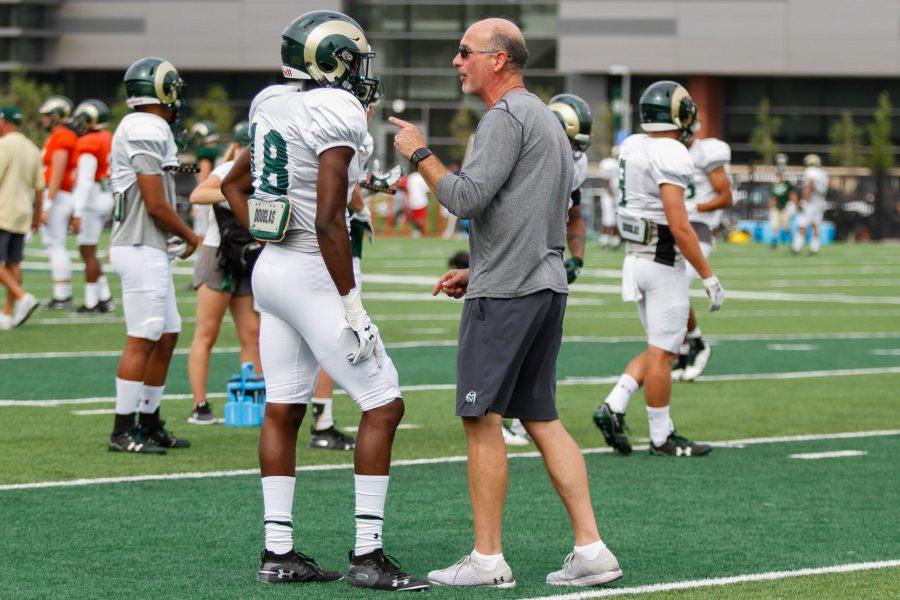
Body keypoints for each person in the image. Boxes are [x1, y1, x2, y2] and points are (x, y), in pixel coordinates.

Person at [392, 17, 623, 588]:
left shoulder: (504, 118)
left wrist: (419, 153)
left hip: (512, 291)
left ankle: (488, 560)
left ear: (498, 59)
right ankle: (592, 550)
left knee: (480, 417)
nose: (456, 61)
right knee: (541, 418)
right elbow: (531, 214)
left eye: (464, 51)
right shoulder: (544, 116)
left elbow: (465, 199)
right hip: (541, 282)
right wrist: (477, 270)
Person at [221, 11, 427, 591]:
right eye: (354, 58)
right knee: (383, 403)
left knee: (284, 407)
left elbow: (237, 184)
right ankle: (368, 553)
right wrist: (351, 303)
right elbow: (331, 218)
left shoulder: (271, 101)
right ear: (332, 58)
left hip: (273, 271)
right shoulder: (333, 107)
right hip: (312, 271)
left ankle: (278, 551)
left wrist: (267, 234)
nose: (360, 71)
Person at [592, 81, 724, 459]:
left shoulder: (634, 145)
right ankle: (661, 437)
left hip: (636, 260)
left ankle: (615, 405)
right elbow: (679, 224)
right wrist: (708, 275)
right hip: (664, 262)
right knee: (665, 353)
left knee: (659, 350)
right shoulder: (670, 151)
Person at [107, 57, 199, 454]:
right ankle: (123, 429)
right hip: (139, 244)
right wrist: (190, 235)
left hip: (147, 245)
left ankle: (149, 420)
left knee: (166, 335)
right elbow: (155, 203)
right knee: (143, 336)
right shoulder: (146, 126)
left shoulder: (144, 125)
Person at [307, 105, 379, 451]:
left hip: (289, 251)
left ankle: (316, 418)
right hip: (331, 248)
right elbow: (341, 186)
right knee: (339, 337)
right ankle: (323, 422)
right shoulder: (349, 128)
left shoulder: (284, 110)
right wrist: (362, 208)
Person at [186, 121, 261, 425]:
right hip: (218, 255)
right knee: (207, 332)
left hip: (247, 257)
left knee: (252, 334)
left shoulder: (268, 171)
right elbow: (198, 195)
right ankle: (199, 404)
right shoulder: (229, 167)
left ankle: (251, 396)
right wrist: (232, 194)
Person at [670, 127, 733, 382]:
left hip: (698, 227)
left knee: (679, 286)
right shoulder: (667, 152)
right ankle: (683, 350)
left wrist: (694, 206)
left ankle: (695, 343)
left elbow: (726, 196)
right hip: (672, 226)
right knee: (669, 292)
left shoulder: (707, 152)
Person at [70, 99, 115, 313]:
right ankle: (104, 296)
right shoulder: (108, 137)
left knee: (87, 251)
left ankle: (91, 301)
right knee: (89, 251)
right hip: (106, 195)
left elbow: (85, 180)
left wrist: (77, 211)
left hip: (93, 198)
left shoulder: (89, 142)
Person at [0, 106, 43, 329]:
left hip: (3, 210)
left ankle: (21, 296)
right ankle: (7, 313)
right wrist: (36, 217)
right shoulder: (33, 149)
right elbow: (39, 187)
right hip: (23, 213)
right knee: (14, 262)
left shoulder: (4, 145)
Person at [38, 95, 78, 309]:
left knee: (56, 244)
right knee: (53, 244)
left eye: (47, 116)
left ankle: (62, 295)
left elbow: (58, 172)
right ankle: (61, 293)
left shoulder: (62, 136)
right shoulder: (58, 135)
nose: (44, 120)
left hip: (58, 195)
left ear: (57, 116)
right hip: (58, 195)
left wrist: (47, 204)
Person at [190, 120, 221, 238]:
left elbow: (203, 178)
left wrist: (196, 206)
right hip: (220, 195)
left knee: (204, 235)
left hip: (208, 194)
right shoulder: (220, 150)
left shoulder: (205, 152)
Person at [792, 153, 828, 255]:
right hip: (820, 203)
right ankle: (814, 247)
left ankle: (796, 247)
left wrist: (804, 201)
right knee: (815, 225)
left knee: (802, 225)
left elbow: (810, 186)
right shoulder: (823, 173)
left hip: (811, 203)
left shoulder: (810, 172)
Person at [769, 153, 796, 250]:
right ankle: (774, 242)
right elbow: (773, 197)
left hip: (785, 207)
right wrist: (770, 207)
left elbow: (792, 195)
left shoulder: (787, 183)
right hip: (777, 207)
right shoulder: (775, 184)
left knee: (786, 226)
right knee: (775, 226)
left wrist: (795, 205)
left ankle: (793, 241)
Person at [598, 148, 621, 249]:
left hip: (618, 195)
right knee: (608, 219)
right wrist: (612, 196)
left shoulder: (622, 163)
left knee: (617, 219)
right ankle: (604, 240)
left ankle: (615, 240)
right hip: (609, 196)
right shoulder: (609, 164)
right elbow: (606, 181)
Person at [405, 169, 430, 237]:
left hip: (412, 200)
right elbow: (427, 190)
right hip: (421, 200)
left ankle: (418, 231)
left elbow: (407, 189)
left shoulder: (410, 177)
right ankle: (422, 232)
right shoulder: (422, 177)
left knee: (415, 218)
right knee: (421, 218)